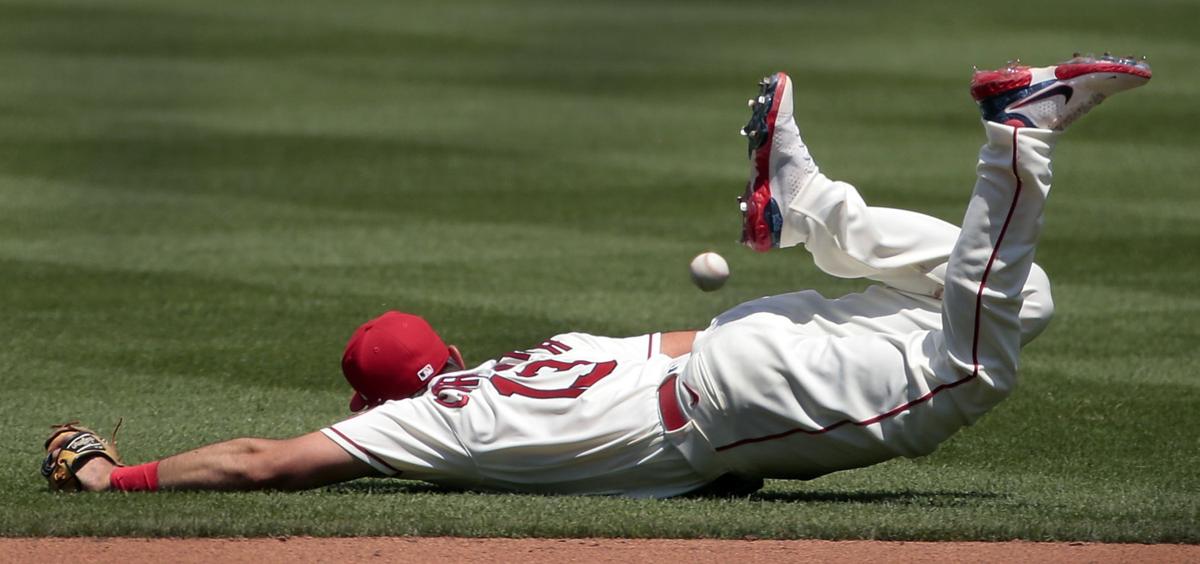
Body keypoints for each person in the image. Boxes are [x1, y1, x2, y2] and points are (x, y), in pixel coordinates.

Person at [41, 53, 1151, 497]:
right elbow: (676, 350)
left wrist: (111, 475)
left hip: (739, 396)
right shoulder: (547, 354)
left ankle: (1020, 132)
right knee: (1013, 294)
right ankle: (810, 205)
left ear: (372, 402)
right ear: (453, 358)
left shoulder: (433, 432)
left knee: (975, 362)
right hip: (729, 348)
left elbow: (260, 461)